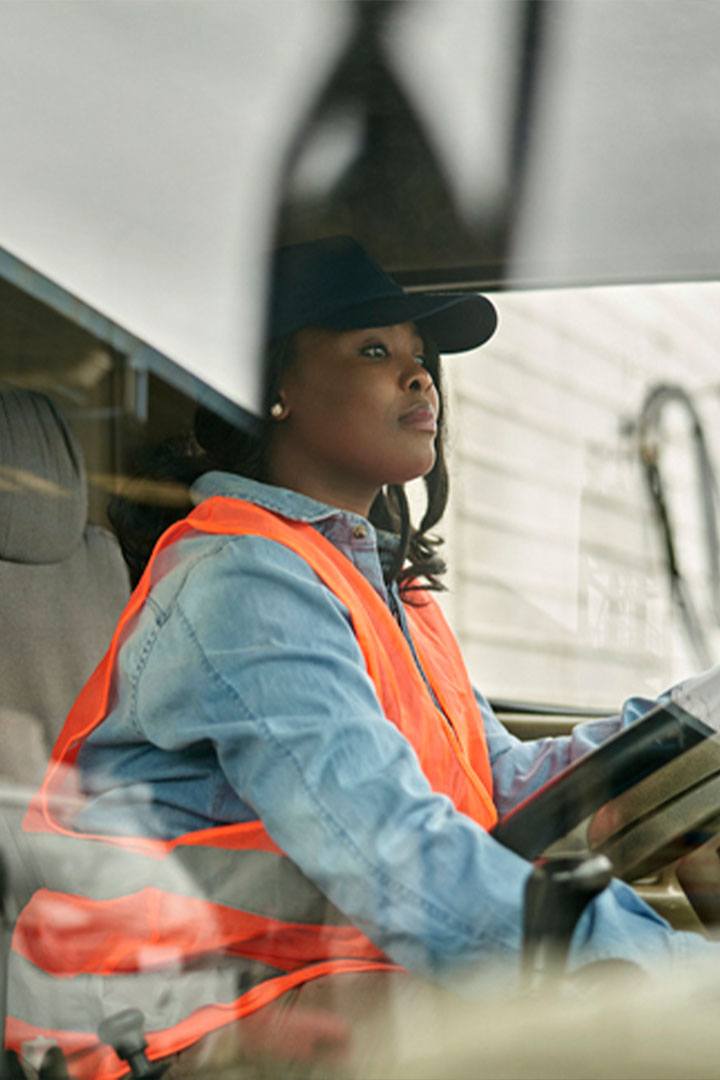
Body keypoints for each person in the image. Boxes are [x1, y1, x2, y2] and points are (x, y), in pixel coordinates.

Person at [6, 237, 719, 1079]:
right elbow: (393, 855)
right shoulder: (242, 580)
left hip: (312, 972)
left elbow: (500, 790)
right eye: (375, 350)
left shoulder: (385, 590)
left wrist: (690, 726)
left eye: (422, 357)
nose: (420, 377)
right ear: (275, 389)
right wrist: (675, 973)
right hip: (179, 1017)